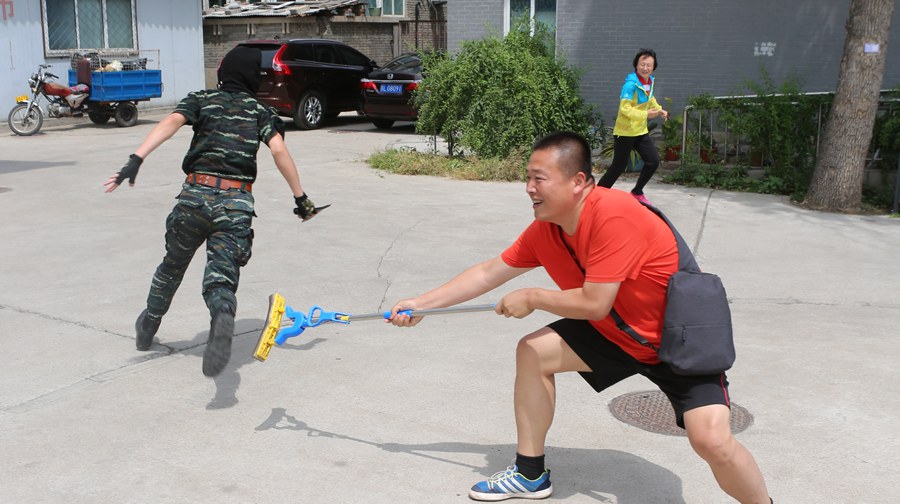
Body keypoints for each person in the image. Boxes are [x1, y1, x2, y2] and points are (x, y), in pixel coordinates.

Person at [388, 131, 772, 503]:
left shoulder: (614, 215)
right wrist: (423, 304)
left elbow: (594, 303)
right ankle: (530, 474)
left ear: (578, 181)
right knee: (534, 352)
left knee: (713, 442)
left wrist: (532, 297)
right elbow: (490, 272)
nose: (529, 188)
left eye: (539, 178)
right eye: (527, 178)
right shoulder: (547, 229)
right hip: (616, 335)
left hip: (678, 340)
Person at [104, 46, 323, 377]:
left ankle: (149, 322)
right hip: (235, 205)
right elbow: (279, 150)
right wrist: (301, 198)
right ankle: (221, 315)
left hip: (194, 198)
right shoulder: (260, 112)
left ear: (223, 73)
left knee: (172, 266)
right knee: (221, 276)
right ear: (253, 78)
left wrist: (136, 159)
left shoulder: (202, 100)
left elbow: (171, 121)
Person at [597, 48, 668, 205]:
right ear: (636, 65)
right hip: (625, 132)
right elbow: (625, 109)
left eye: (649, 65)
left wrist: (659, 110)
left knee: (653, 161)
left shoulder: (649, 82)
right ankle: (597, 196)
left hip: (640, 131)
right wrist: (646, 114)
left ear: (653, 67)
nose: (645, 68)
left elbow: (650, 99)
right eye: (642, 64)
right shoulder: (630, 85)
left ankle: (637, 192)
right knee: (618, 167)